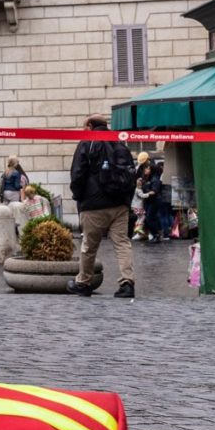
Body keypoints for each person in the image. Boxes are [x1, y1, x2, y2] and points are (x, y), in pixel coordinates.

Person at [68, 115, 139, 298]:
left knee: (89, 246)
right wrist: (126, 202)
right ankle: (127, 283)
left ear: (90, 125)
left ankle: (83, 283)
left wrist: (79, 196)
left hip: (93, 204)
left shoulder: (87, 142)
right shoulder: (118, 142)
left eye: (84, 125)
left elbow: (77, 173)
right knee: (122, 244)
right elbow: (131, 175)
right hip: (120, 204)